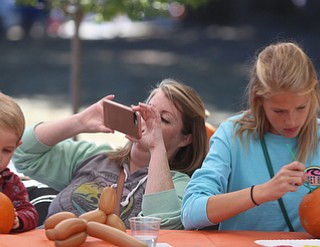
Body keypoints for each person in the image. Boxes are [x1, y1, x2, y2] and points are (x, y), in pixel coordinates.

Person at [12, 78, 208, 229]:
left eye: (162, 120)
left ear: (186, 139)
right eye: (148, 111)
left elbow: (160, 227)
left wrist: (156, 147)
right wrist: (80, 122)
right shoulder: (94, 155)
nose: (148, 121)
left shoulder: (181, 184)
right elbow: (22, 151)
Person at [181, 42, 320, 232]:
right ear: (258, 101)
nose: (291, 121)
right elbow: (191, 213)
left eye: (301, 108)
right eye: (279, 111)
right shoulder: (232, 134)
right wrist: (262, 192)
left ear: (313, 95)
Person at [0, 92, 39, 232]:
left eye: (6, 150)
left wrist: (17, 220)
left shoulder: (10, 183)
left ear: (16, 147)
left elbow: (29, 212)